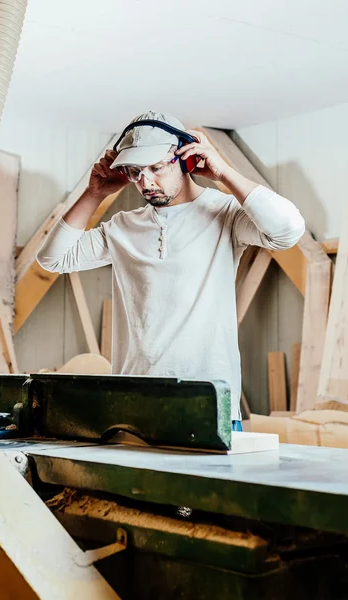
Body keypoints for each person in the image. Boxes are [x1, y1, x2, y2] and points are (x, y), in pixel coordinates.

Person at [37, 111, 305, 430]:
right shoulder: (123, 227)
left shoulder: (224, 215)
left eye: (157, 167)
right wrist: (94, 192)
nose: (145, 181)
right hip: (133, 400)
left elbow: (288, 230)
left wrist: (225, 173)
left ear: (187, 160)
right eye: (135, 172)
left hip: (206, 401)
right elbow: (53, 258)